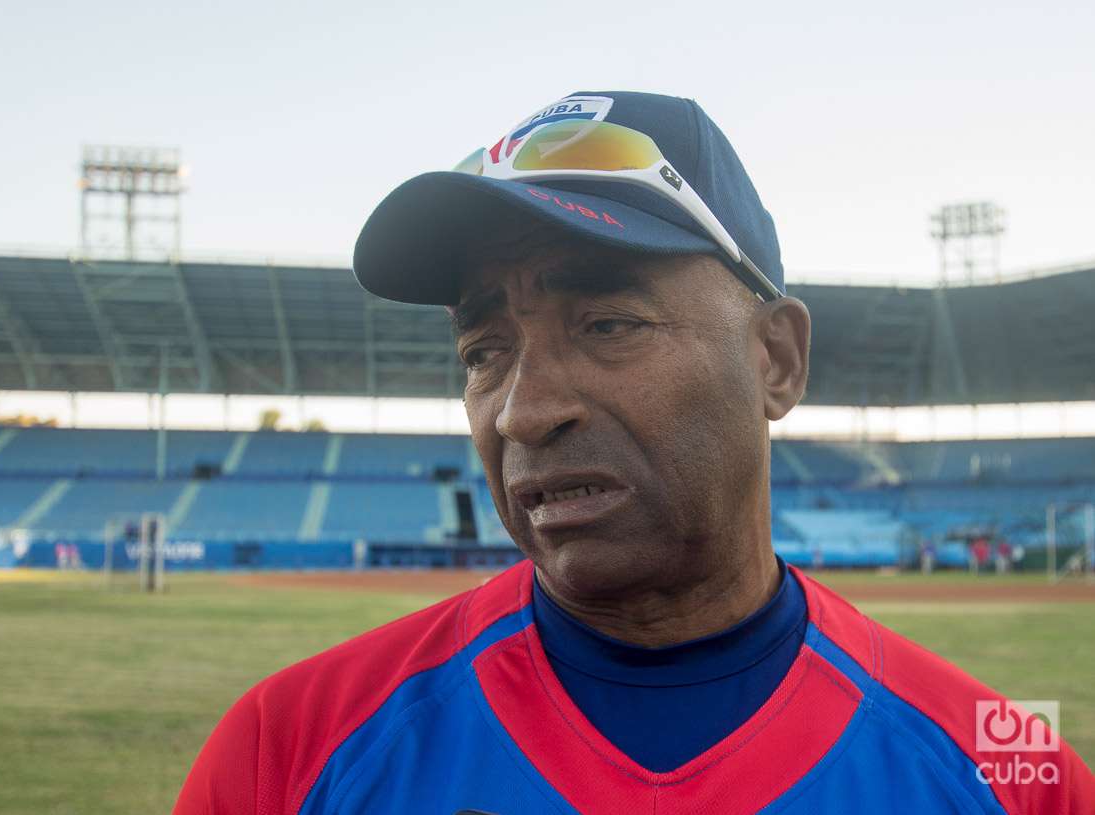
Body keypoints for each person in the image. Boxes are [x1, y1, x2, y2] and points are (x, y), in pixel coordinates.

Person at [174, 92, 1093, 814]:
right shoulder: (285, 752)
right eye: (483, 352)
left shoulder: (1018, 776)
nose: (524, 411)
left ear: (775, 360)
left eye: (609, 321)